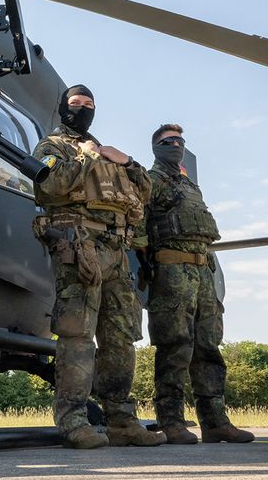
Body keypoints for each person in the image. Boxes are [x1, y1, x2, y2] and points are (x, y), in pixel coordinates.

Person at [31, 85, 164, 449]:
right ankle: (74, 421)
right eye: (76, 104)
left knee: (121, 335)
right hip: (79, 244)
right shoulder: (52, 147)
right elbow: (50, 184)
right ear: (63, 108)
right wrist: (88, 158)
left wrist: (129, 162)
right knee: (77, 334)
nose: (83, 109)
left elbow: (145, 192)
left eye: (89, 105)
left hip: (117, 248)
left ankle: (121, 421)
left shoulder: (108, 153)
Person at [144, 124, 255, 444]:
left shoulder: (190, 186)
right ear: (157, 147)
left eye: (180, 140)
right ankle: (172, 421)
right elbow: (138, 228)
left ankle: (215, 421)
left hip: (202, 270)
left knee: (208, 346)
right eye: (169, 141)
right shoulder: (152, 182)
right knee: (175, 345)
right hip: (172, 269)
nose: (176, 144)